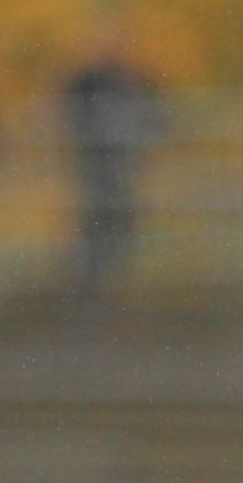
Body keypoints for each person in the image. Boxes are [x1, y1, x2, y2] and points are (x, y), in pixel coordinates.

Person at [61, 28, 160, 300]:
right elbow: (67, 109)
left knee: (118, 207)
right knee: (99, 208)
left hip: (120, 157)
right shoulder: (87, 80)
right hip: (97, 157)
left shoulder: (132, 78)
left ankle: (115, 266)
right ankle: (95, 268)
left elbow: (154, 111)